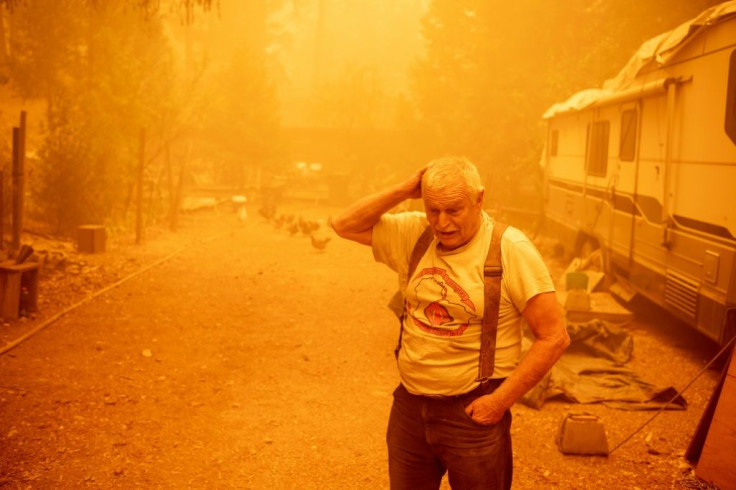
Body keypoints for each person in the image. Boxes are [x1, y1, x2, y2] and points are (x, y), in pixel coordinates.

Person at [330, 156, 570, 489]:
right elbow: (344, 224)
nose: (442, 223)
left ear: (479, 199)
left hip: (473, 414)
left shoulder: (509, 249)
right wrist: (405, 189)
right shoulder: (415, 232)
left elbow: (554, 336)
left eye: (454, 210)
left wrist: (499, 403)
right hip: (410, 409)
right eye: (433, 210)